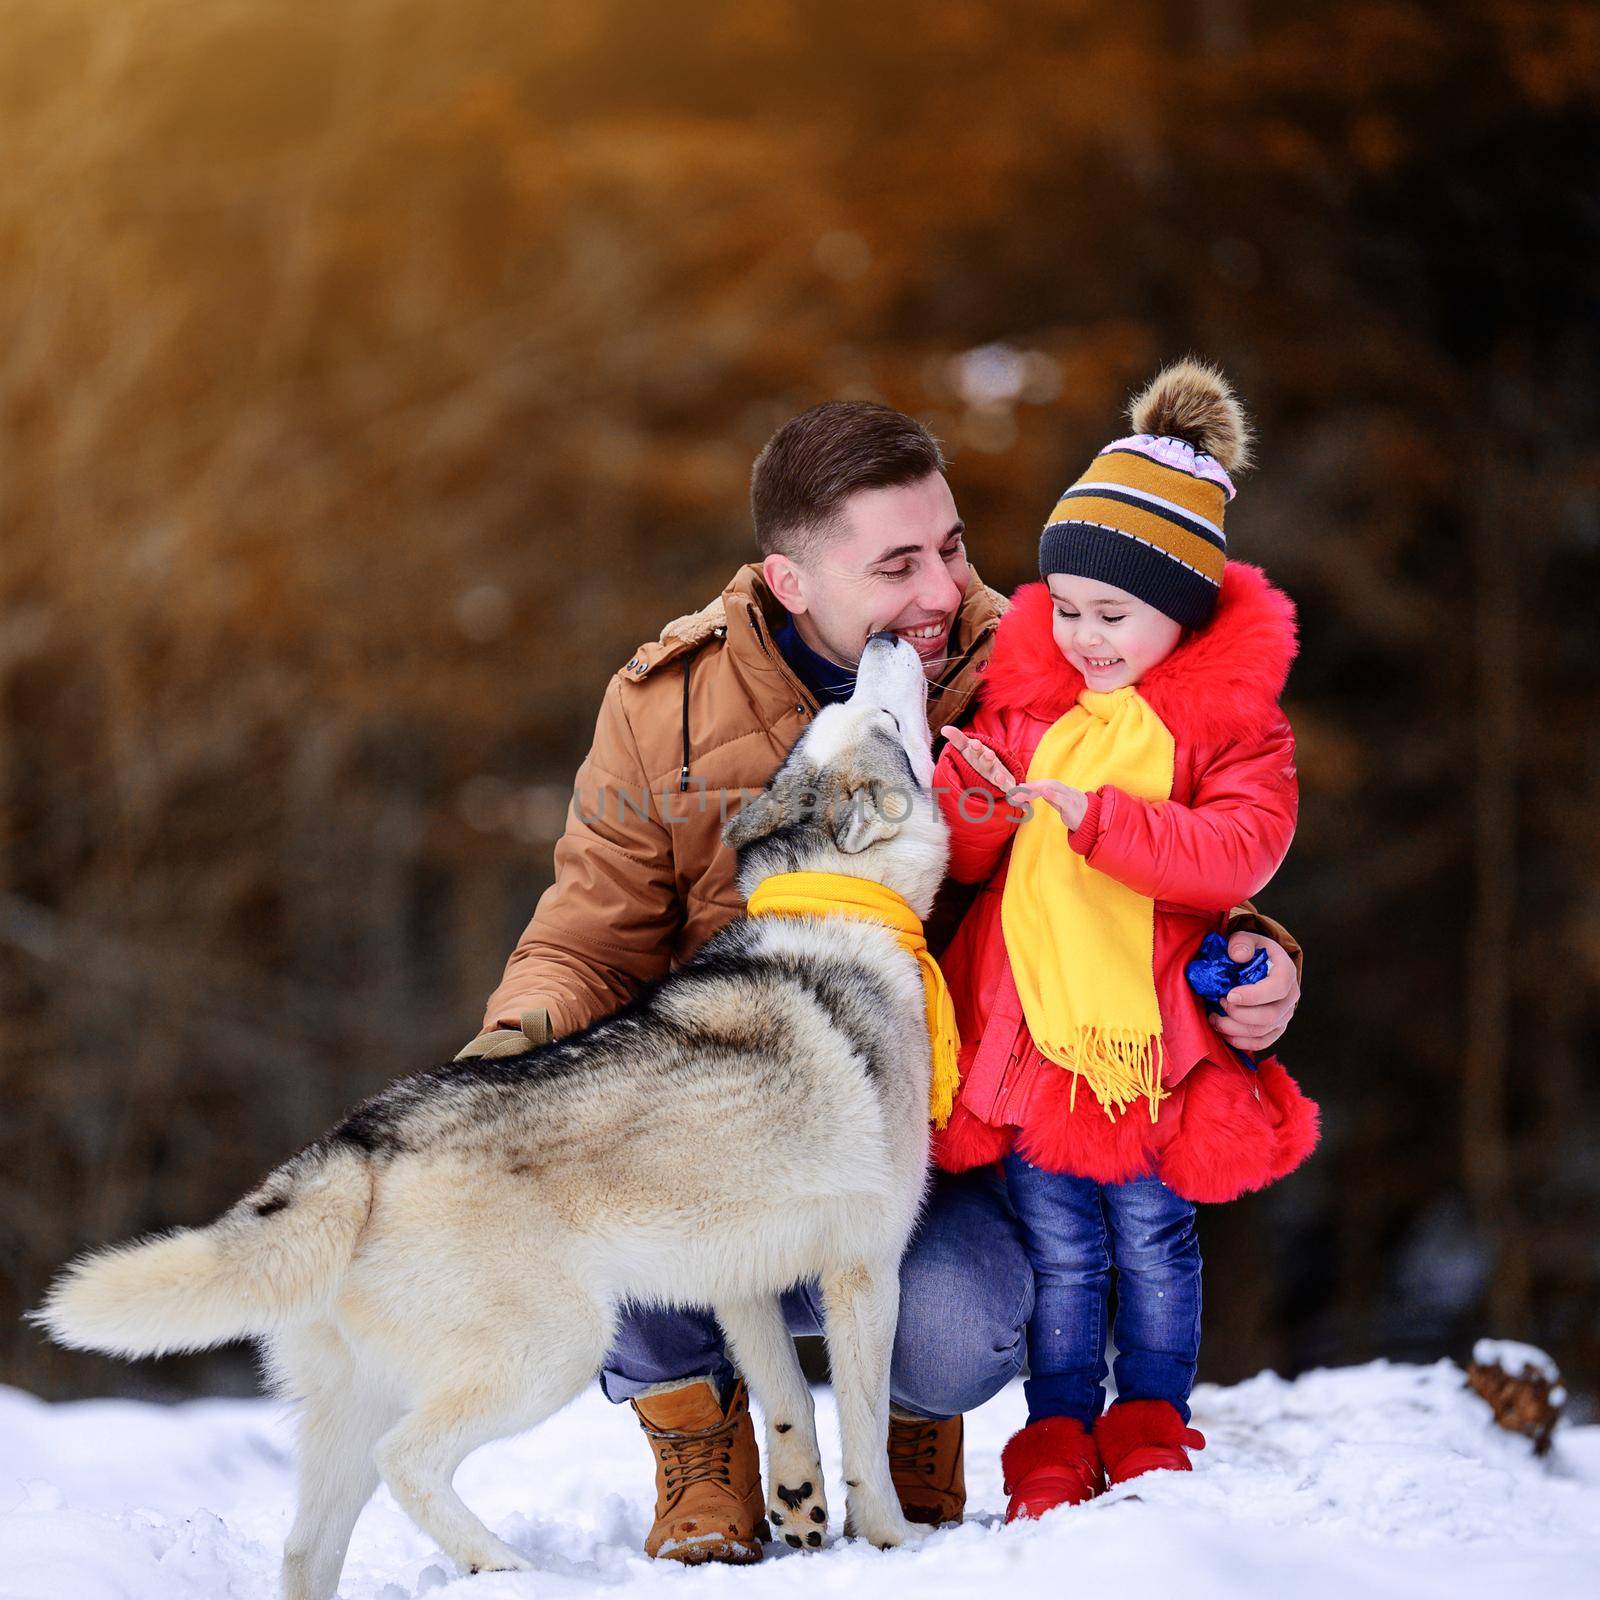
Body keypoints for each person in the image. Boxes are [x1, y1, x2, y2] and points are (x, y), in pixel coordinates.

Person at [456, 399, 1304, 1561]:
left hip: (930, 1140)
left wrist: (1259, 959)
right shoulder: (668, 706)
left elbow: (1170, 828)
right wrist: (518, 1044)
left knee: (964, 1315)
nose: (945, 589)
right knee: (588, 1190)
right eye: (898, 563)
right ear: (792, 579)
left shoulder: (1045, 657)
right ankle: (698, 1441)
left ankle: (918, 1418)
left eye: (951, 546)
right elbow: (590, 936)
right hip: (730, 1118)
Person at [930, 361, 1318, 1522]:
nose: (1085, 637)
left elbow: (1238, 852)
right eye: (1067, 611)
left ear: (1180, 615)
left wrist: (1099, 822)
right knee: (1060, 1248)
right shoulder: (1028, 700)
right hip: (1044, 1033)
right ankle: (1052, 1428)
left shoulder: (1230, 727)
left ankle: (1150, 1410)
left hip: (1151, 1039)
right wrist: (977, 804)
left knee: (1153, 1241)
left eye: (1115, 615)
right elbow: (961, 855)